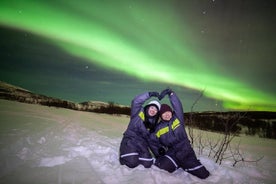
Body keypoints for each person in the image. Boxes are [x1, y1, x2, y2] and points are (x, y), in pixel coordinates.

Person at [150, 88, 210, 179]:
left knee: (204, 175)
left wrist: (171, 94)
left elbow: (177, 106)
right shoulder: (159, 128)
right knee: (160, 167)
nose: (166, 114)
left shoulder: (177, 118)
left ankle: (184, 164)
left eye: (168, 112)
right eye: (163, 113)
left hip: (185, 151)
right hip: (172, 153)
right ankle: (176, 164)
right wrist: (159, 151)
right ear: (161, 116)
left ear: (171, 112)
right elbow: (152, 141)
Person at [119, 91, 161, 168]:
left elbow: (151, 141)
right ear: (148, 107)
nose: (153, 110)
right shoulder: (138, 112)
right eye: (152, 107)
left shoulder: (153, 124)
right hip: (130, 139)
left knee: (148, 163)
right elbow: (136, 101)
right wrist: (149, 94)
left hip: (142, 144)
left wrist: (159, 154)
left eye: (156, 110)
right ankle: (125, 155)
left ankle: (133, 155)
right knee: (132, 162)